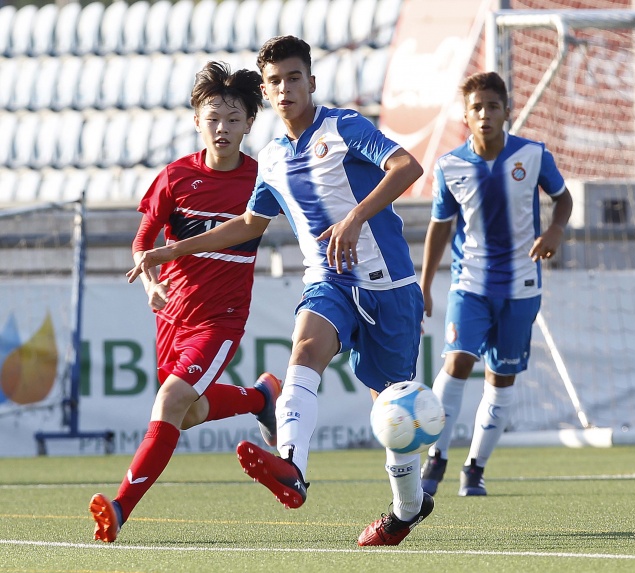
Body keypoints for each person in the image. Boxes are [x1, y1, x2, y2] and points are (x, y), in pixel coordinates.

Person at [128, 36, 431, 547]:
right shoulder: (270, 159)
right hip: (329, 282)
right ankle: (292, 466)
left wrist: (356, 217)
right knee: (304, 349)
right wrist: (171, 251)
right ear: (266, 93)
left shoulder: (344, 127)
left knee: (393, 414)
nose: (285, 88)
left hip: (391, 288)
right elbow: (249, 223)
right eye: (275, 81)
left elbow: (408, 167)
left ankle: (407, 508)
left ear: (311, 82)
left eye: (294, 78)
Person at [89, 61, 282, 543]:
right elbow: (142, 241)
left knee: (171, 400)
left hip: (221, 320)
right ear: (197, 121)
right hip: (172, 317)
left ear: (249, 123)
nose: (222, 128)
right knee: (188, 412)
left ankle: (120, 508)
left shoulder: (262, 181)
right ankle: (261, 398)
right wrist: (151, 284)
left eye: (233, 119)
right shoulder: (175, 177)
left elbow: (272, 223)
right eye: (213, 118)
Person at [419, 71, 573, 497]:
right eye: (476, 108)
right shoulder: (450, 166)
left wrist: (556, 230)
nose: (484, 114)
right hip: (470, 283)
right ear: (465, 117)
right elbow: (439, 226)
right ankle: (436, 456)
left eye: (492, 106)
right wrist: (425, 284)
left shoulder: (533, 155)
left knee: (501, 378)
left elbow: (563, 198)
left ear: (507, 111)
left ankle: (475, 468)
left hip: (522, 286)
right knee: (457, 362)